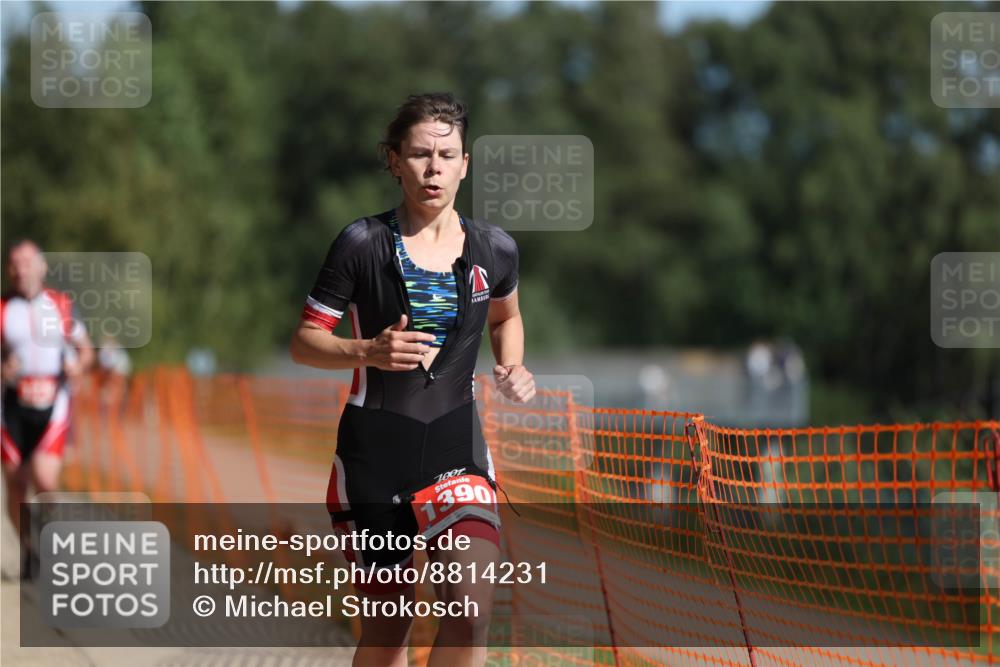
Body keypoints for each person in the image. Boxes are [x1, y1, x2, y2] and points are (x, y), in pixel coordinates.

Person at [290, 92, 535, 667]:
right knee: (387, 634)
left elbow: (508, 315)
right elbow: (304, 341)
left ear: (465, 164)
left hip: (457, 447)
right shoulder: (360, 243)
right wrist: (365, 349)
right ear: (394, 160)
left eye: (446, 155)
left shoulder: (494, 249)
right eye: (420, 154)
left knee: (470, 615)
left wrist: (513, 365)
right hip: (375, 454)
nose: (433, 168)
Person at [1, 240, 94, 577]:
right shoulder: (2, 309)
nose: (20, 269)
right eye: (14, 263)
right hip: (11, 407)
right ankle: (28, 549)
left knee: (43, 476)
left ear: (42, 267)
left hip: (53, 403)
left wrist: (78, 367)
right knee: (16, 483)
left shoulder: (61, 305)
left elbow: (85, 350)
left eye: (27, 262)